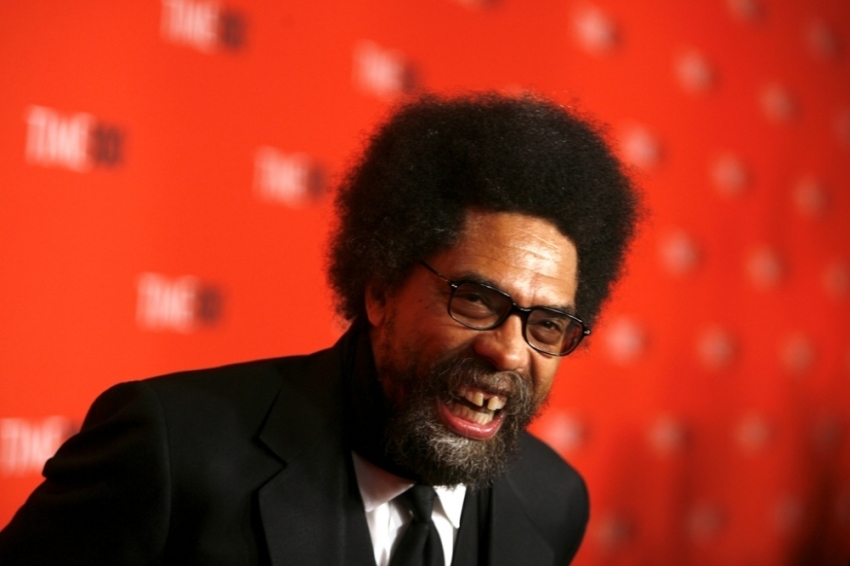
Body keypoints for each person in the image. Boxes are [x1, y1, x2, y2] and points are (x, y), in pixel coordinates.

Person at [0, 92, 639, 565]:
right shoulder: (168, 452)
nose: (508, 350)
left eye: (548, 325)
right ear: (380, 289)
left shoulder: (554, 501)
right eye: (474, 300)